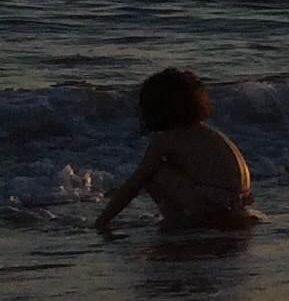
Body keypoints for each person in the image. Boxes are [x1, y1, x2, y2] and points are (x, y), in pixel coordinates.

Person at [93, 68, 258, 235]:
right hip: (239, 202)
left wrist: (102, 221)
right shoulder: (208, 133)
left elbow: (134, 184)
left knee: (154, 172)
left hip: (216, 204)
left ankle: (177, 219)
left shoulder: (166, 139)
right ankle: (187, 217)